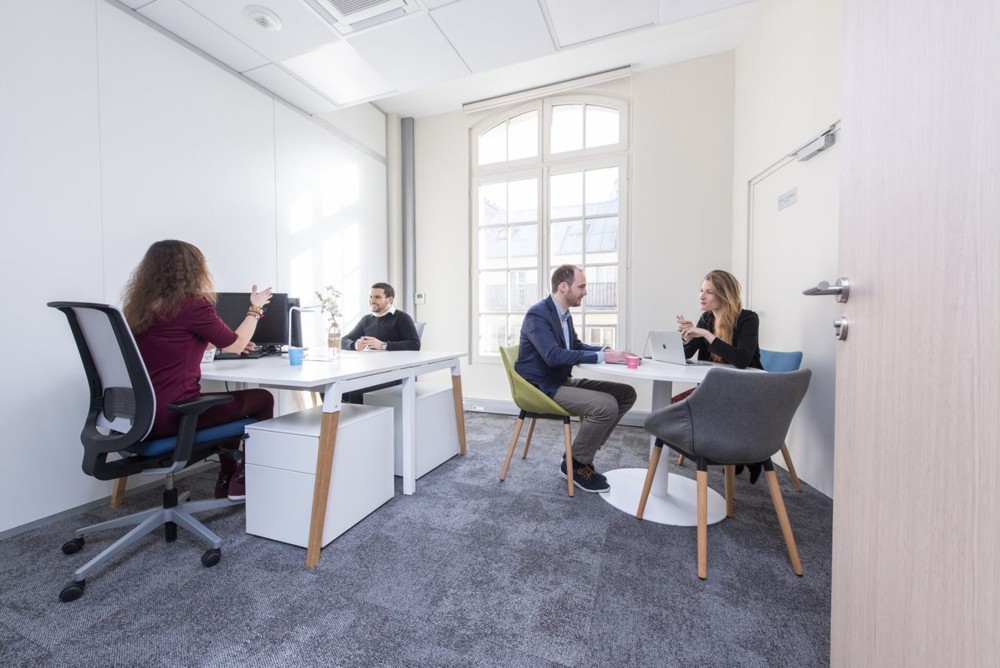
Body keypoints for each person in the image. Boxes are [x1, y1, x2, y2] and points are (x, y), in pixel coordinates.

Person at [122, 240, 274, 501]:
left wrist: (217, 339)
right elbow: (237, 345)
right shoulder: (192, 305)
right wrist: (256, 308)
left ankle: (227, 475)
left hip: (136, 418)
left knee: (227, 403)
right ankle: (240, 477)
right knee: (262, 398)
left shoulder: (138, 308)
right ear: (193, 270)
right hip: (175, 417)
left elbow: (170, 342)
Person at [516, 265, 637, 493]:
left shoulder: (564, 315)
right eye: (581, 286)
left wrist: (607, 350)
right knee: (606, 406)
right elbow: (553, 356)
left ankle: (585, 452)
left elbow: (575, 346)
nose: (585, 292)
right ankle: (575, 463)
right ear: (563, 287)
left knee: (626, 394)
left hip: (560, 381)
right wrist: (602, 356)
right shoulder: (537, 315)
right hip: (542, 387)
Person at [676, 268, 765, 481]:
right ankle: (734, 455)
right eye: (701, 290)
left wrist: (707, 335)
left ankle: (742, 455)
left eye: (709, 292)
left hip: (746, 388)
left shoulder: (748, 319)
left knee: (692, 410)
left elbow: (742, 360)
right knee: (675, 407)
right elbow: (687, 355)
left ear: (725, 294)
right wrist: (687, 338)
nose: (702, 296)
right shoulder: (706, 318)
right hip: (716, 387)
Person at [340, 282, 420, 403]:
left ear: (390, 299)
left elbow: (415, 344)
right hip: (369, 372)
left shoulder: (401, 318)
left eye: (377, 297)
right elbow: (344, 340)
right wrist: (355, 345)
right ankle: (339, 421)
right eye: (371, 297)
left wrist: (383, 345)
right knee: (329, 388)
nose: (372, 300)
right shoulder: (366, 319)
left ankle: (360, 421)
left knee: (354, 391)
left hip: (395, 375)